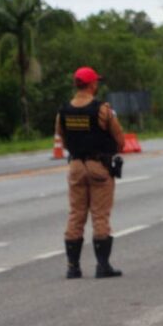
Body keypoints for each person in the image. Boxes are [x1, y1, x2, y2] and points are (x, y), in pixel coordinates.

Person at [57, 66, 125, 279]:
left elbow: (63, 137)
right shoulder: (102, 110)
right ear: (92, 84)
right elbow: (119, 139)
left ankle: (73, 267)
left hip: (76, 166)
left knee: (76, 214)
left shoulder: (63, 111)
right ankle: (102, 266)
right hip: (98, 167)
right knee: (100, 215)